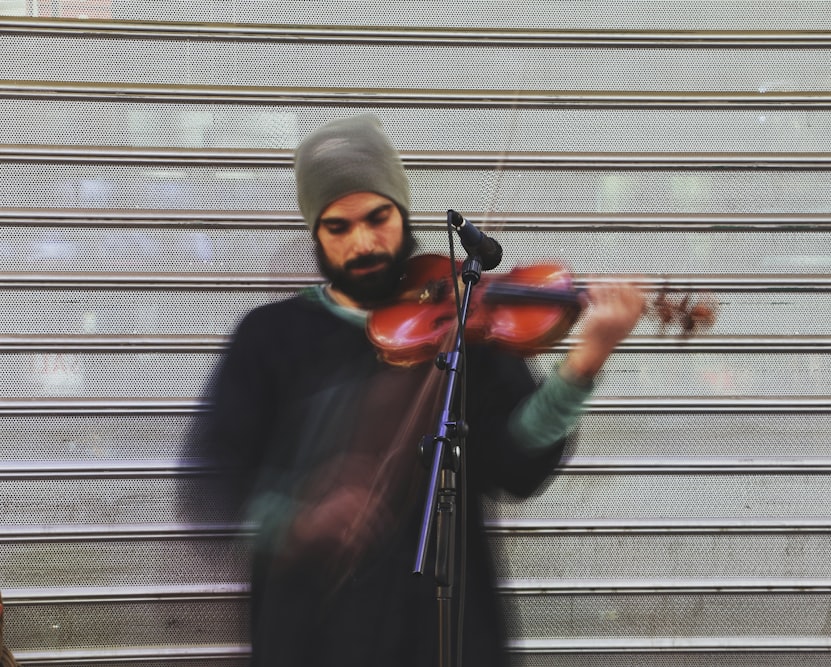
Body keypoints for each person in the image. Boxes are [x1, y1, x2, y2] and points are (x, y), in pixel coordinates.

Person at [191, 114, 645, 666]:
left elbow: (517, 462)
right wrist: (300, 520)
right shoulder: (268, 337)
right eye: (339, 227)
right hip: (311, 635)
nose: (363, 242)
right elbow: (215, 486)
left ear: (402, 213)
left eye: (377, 217)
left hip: (445, 633)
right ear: (315, 232)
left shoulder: (463, 317)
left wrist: (581, 367)